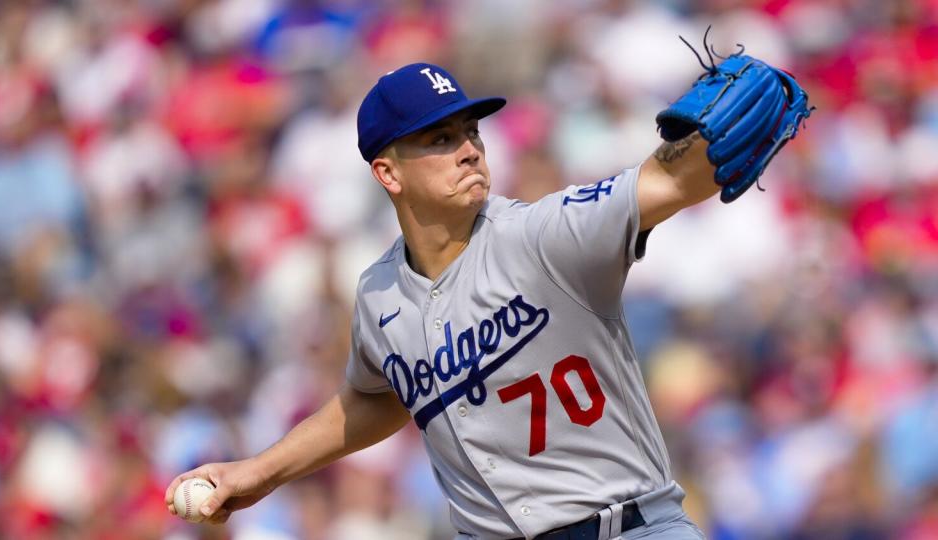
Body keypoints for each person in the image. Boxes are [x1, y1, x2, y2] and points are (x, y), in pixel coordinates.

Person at [166, 59, 804, 539]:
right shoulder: (379, 295)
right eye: (440, 139)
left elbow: (664, 181)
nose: (470, 148)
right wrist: (258, 472)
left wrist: (700, 142)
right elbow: (382, 396)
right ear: (388, 173)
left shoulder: (545, 236)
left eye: (470, 131)